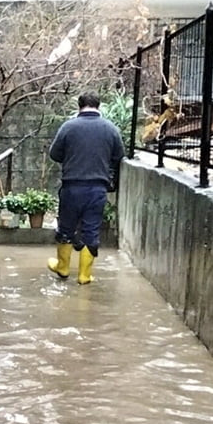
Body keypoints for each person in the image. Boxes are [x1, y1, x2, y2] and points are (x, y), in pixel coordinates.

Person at [46, 92, 125, 285]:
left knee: (66, 227)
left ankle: (63, 268)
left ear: (79, 105)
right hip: (97, 189)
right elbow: (119, 155)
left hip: (71, 187)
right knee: (91, 229)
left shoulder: (68, 127)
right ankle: (84, 275)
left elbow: (54, 154)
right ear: (99, 106)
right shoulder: (110, 129)